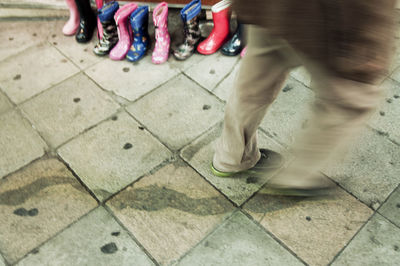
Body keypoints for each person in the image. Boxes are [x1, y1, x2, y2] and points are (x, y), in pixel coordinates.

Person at [211, 0, 397, 196]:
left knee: (257, 75)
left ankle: (230, 157)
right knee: (351, 98)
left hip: (269, 8)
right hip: (328, 21)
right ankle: (297, 178)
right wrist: (370, 43)